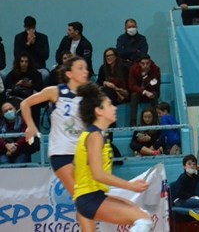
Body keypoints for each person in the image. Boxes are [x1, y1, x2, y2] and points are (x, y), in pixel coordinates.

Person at [72, 82, 151, 232]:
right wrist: (130, 186)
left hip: (92, 196)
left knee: (143, 216)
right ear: (99, 111)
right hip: (90, 198)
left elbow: (76, 165)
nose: (114, 108)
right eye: (109, 105)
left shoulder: (97, 134)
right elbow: (98, 174)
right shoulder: (95, 136)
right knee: (143, 220)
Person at [20, 56, 90, 201]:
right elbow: (25, 104)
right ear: (69, 73)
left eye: (86, 68)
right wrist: (31, 126)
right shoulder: (56, 91)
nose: (85, 71)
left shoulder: (89, 96)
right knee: (82, 198)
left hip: (82, 151)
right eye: (80, 68)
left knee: (87, 199)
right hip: (62, 151)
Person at [172, 154, 199, 226]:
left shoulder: (194, 177)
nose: (192, 166)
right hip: (180, 201)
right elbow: (178, 193)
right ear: (184, 166)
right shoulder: (182, 178)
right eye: (189, 164)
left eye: (194, 164)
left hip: (190, 199)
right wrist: (191, 197)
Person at [13, 16, 50, 81]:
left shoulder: (43, 37)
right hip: (22, 68)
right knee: (11, 76)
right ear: (24, 27)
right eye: (28, 27)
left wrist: (34, 44)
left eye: (32, 27)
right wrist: (28, 43)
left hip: (38, 67)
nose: (30, 30)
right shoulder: (19, 37)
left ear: (35, 26)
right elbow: (17, 56)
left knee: (45, 74)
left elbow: (45, 56)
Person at [127, 55, 160, 126]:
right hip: (139, 93)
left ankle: (156, 120)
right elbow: (132, 86)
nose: (145, 65)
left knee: (154, 94)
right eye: (143, 63)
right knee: (134, 95)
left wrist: (145, 77)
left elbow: (155, 85)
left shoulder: (155, 69)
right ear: (139, 63)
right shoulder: (133, 69)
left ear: (150, 63)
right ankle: (133, 121)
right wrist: (144, 92)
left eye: (147, 63)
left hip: (151, 92)